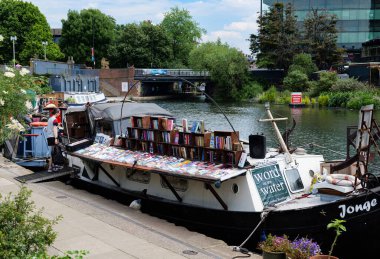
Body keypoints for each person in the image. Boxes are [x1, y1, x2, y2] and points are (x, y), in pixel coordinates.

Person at [46, 108, 61, 172]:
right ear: (57, 113)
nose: (59, 113)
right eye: (59, 112)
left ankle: (50, 167)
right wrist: (56, 138)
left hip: (49, 137)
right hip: (53, 137)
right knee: (55, 152)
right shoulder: (55, 120)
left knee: (52, 152)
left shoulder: (50, 119)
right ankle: (53, 166)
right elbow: (55, 129)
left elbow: (48, 128)